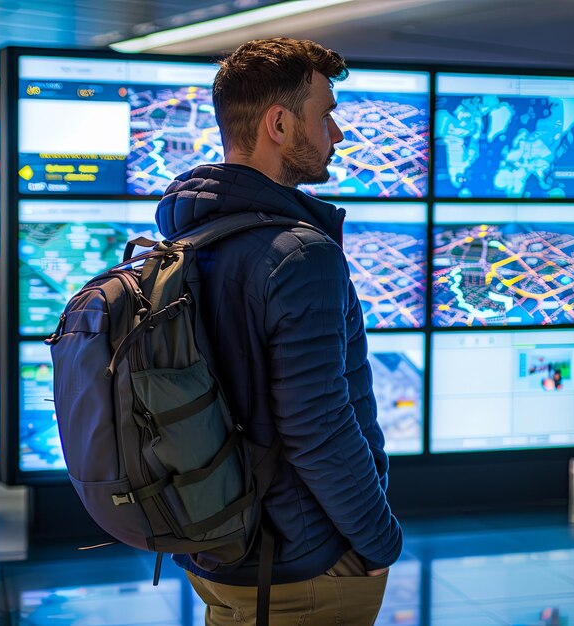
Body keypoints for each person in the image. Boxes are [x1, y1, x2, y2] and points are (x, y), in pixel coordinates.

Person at [155, 38, 403, 625]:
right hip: (302, 565)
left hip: (217, 548)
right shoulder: (298, 254)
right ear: (279, 122)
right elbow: (319, 428)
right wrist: (378, 539)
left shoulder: (188, 239)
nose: (336, 133)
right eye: (326, 114)